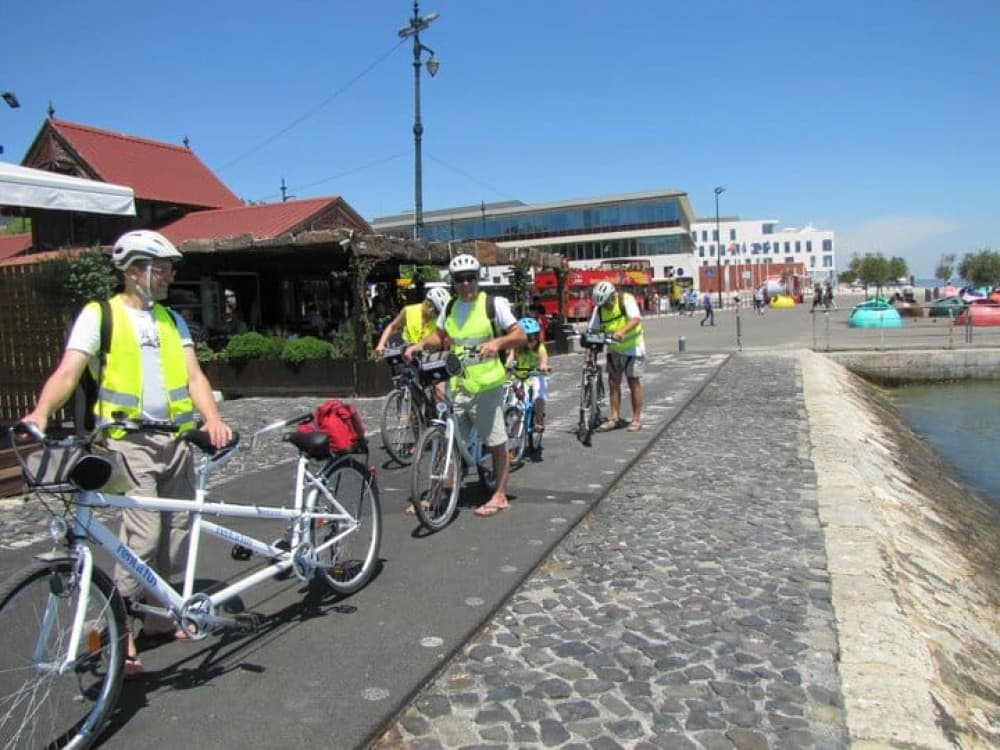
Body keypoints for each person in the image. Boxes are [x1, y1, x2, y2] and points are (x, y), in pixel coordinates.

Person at [21, 229, 233, 677]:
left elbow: (194, 377)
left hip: (177, 438)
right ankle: (121, 630)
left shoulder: (171, 321)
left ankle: (158, 615)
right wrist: (41, 412)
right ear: (135, 271)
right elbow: (69, 372)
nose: (170, 276)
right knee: (143, 535)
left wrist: (210, 417)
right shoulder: (101, 316)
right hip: (127, 441)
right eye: (163, 268)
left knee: (177, 530)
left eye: (171, 269)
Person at [404, 254, 526, 516]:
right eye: (460, 279)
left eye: (471, 278)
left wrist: (497, 343)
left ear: (478, 278)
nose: (466, 284)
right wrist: (420, 344)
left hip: (488, 385)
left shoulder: (494, 304)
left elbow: (519, 335)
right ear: (453, 282)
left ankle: (500, 495)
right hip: (459, 384)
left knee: (495, 441)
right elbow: (440, 335)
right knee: (447, 438)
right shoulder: (450, 307)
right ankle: (438, 494)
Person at [588, 281, 645, 432]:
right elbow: (592, 331)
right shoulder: (599, 309)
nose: (604, 306)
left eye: (606, 302)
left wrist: (621, 331)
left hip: (634, 348)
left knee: (633, 382)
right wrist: (590, 350)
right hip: (614, 349)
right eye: (601, 304)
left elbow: (635, 319)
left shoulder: (626, 300)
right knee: (614, 383)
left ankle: (636, 419)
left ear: (612, 296)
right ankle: (614, 418)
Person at [505, 316, 550, 443]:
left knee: (538, 395)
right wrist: (508, 364)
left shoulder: (540, 348)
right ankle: (513, 431)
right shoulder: (515, 347)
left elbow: (543, 361)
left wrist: (543, 367)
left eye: (535, 336)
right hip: (519, 376)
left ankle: (539, 421)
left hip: (535, 375)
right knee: (515, 404)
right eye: (529, 337)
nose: (533, 340)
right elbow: (510, 358)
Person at [374, 286, 451, 356]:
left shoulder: (440, 320)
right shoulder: (409, 310)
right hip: (404, 350)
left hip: (426, 355)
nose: (438, 316)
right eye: (437, 312)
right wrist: (380, 344)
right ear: (430, 306)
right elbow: (392, 326)